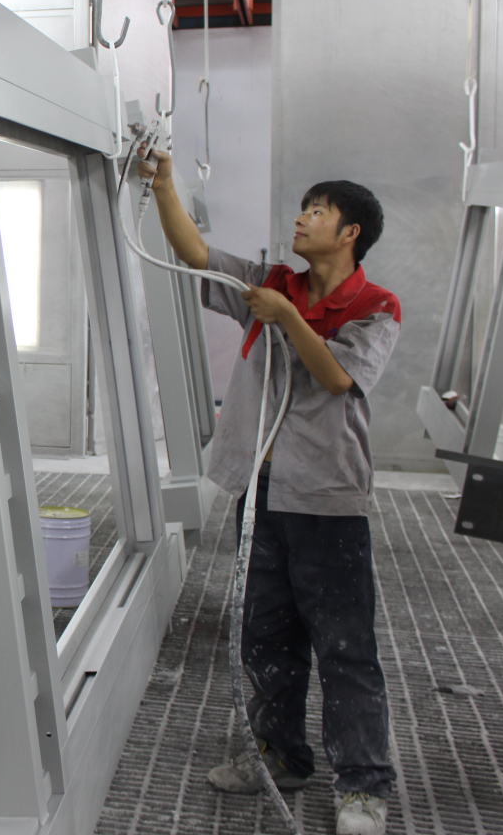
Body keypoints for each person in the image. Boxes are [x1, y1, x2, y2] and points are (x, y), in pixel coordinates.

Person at [141, 149, 399, 835]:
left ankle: (363, 785)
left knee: (344, 646)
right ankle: (279, 755)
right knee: (267, 635)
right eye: (303, 208)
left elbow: (337, 379)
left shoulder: (374, 308)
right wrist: (164, 186)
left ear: (350, 233)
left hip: (326, 500)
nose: (301, 219)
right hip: (261, 494)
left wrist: (286, 317)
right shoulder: (270, 282)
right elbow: (195, 254)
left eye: (317, 211)